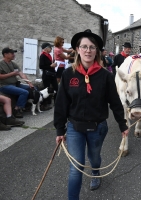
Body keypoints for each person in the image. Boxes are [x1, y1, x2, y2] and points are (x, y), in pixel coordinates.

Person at [54, 29, 129, 199]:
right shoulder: (68, 75)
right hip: (74, 127)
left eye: (92, 47)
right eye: (84, 46)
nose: (88, 50)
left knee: (94, 158)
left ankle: (96, 172)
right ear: (77, 49)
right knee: (76, 167)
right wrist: (60, 130)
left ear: (97, 51)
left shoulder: (106, 76)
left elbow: (115, 103)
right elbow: (61, 104)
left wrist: (122, 124)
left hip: (98, 127)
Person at [0, 47, 34, 118]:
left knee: (31, 88)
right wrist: (12, 74)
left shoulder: (13, 64)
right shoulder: (1, 64)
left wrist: (29, 83)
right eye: (12, 53)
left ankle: (27, 105)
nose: (14, 55)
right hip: (4, 86)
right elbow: (1, 76)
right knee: (24, 92)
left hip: (15, 84)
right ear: (5, 54)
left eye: (14, 53)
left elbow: (21, 74)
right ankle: (16, 109)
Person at [39, 42, 58, 110]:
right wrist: (50, 66)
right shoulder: (43, 56)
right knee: (46, 89)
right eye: (50, 47)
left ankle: (56, 103)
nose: (51, 49)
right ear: (46, 48)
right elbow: (41, 66)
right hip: (47, 75)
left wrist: (53, 65)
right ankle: (45, 104)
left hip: (52, 74)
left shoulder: (48, 55)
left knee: (56, 88)